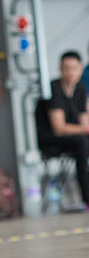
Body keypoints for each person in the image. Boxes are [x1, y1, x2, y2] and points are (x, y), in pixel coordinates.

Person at [39, 51, 89, 207]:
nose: (70, 73)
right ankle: (86, 196)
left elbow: (84, 121)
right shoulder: (53, 89)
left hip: (74, 136)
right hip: (49, 138)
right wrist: (85, 130)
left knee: (82, 140)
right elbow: (59, 128)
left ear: (80, 69)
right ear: (60, 69)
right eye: (66, 68)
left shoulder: (80, 89)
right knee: (81, 142)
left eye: (74, 68)